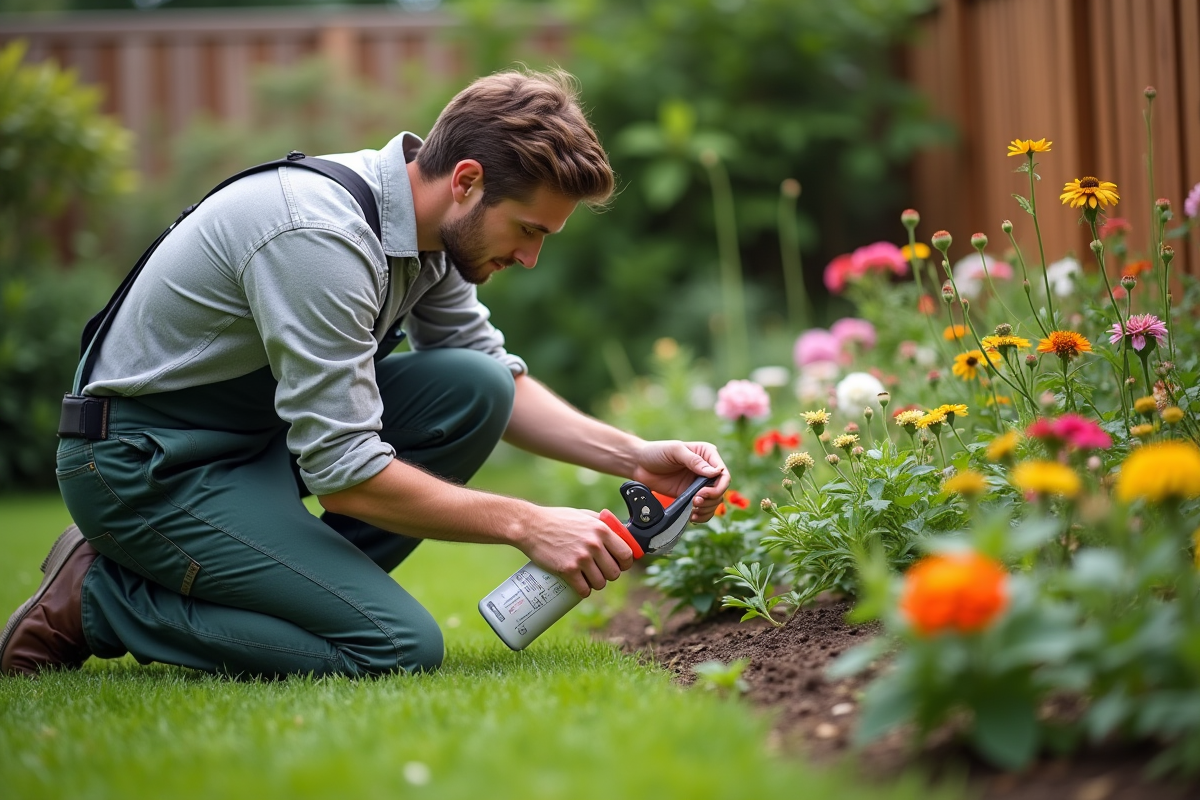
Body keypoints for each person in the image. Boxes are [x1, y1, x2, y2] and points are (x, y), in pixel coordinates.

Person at [0, 69, 729, 678]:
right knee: (395, 646)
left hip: (246, 445)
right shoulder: (318, 236)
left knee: (473, 389)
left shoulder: (428, 232)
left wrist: (637, 455)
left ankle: (294, 591)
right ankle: (101, 596)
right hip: (142, 466)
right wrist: (527, 522)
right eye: (530, 230)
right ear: (467, 182)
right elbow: (344, 468)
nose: (532, 257)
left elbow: (491, 378)